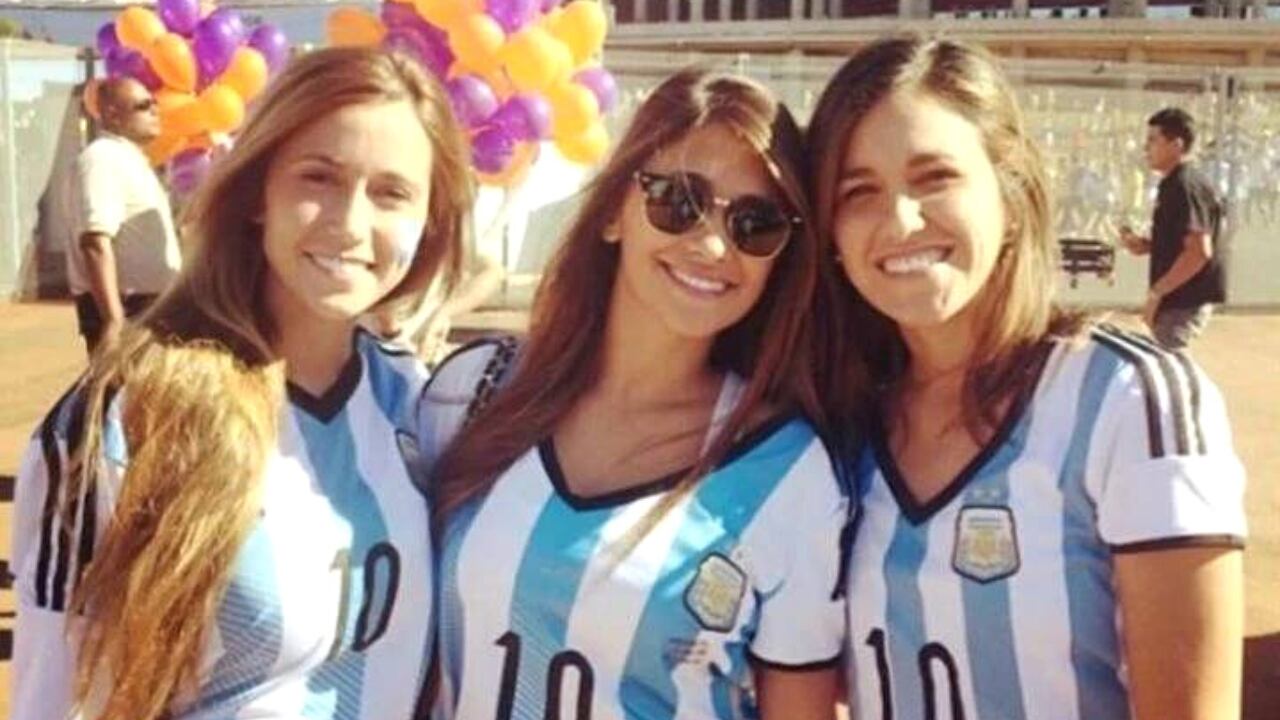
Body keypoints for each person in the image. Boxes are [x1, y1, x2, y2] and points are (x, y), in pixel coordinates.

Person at [11, 47, 472, 720]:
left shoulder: (419, 402)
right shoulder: (125, 417)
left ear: (430, 221)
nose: (349, 223)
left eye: (391, 192)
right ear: (259, 195)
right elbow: (55, 698)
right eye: (319, 177)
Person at [807, 37, 1246, 720]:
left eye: (935, 178)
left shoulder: (1129, 401)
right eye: (858, 192)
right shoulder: (834, 426)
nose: (899, 219)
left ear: (1010, 194)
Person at [421, 68, 848, 719]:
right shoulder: (471, 391)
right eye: (680, 200)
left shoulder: (789, 474)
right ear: (617, 209)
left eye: (756, 224)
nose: (710, 244)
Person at [68, 76, 182, 355]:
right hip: (128, 311)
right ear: (112, 114)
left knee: (150, 398)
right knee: (124, 397)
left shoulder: (131, 160)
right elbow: (95, 241)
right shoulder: (103, 158)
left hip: (150, 310)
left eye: (155, 103)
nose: (156, 110)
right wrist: (113, 318)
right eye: (144, 105)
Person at [1119, 107, 1225, 350]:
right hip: (1177, 301)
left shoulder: (1184, 185)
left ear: (1176, 145)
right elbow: (1184, 242)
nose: (1146, 148)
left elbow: (1199, 251)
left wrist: (1157, 292)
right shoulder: (1177, 183)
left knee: (1165, 366)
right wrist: (1147, 245)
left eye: (1153, 140)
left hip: (1183, 302)